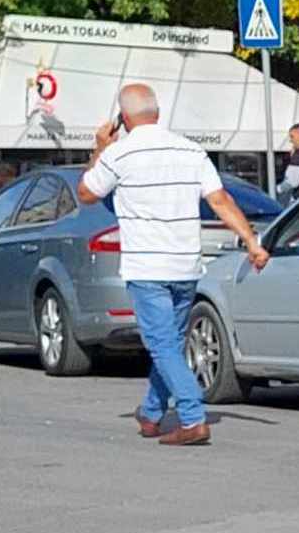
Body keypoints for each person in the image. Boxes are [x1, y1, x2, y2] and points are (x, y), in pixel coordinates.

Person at [78, 83, 270, 447]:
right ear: (158, 113)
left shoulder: (119, 154)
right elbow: (221, 199)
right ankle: (151, 413)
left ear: (123, 118)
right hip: (185, 267)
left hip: (147, 268)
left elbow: (86, 193)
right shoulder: (191, 151)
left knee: (161, 345)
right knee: (170, 343)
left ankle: (193, 416)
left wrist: (99, 150)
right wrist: (250, 241)